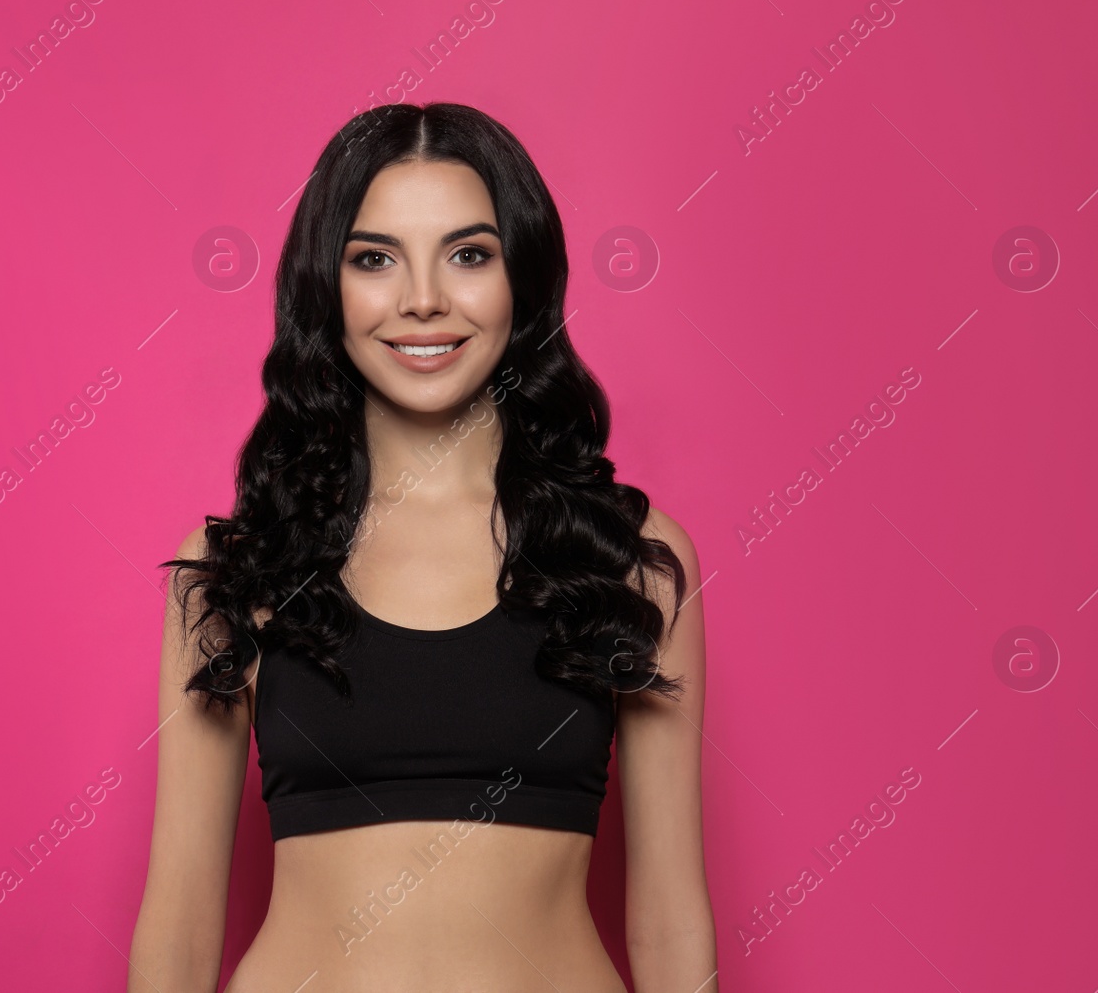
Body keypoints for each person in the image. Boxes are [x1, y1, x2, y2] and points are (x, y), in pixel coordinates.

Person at [127, 102, 716, 993]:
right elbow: (177, 924)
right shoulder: (242, 570)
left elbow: (671, 919)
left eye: (469, 254)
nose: (423, 299)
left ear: (523, 275)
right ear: (328, 286)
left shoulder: (626, 556)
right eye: (375, 258)